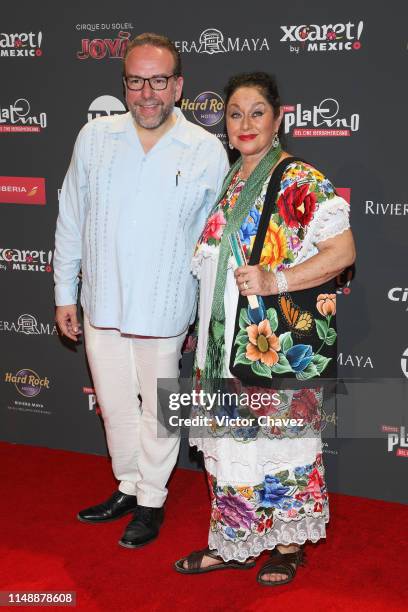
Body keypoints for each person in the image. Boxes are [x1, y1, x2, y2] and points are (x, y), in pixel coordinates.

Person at [175, 72, 355, 584]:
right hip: (221, 348)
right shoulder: (233, 180)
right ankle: (234, 539)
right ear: (225, 125)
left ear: (278, 119)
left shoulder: (299, 179)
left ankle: (289, 543)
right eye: (235, 113)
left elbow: (342, 254)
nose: (245, 123)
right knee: (232, 448)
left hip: (268, 347)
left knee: (280, 444)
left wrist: (277, 279)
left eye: (257, 112)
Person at [54, 32, 228, 549]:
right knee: (115, 403)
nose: (146, 93)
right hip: (101, 303)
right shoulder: (94, 138)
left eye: (158, 81)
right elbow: (71, 217)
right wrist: (65, 290)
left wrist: (207, 310)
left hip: (166, 306)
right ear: (124, 84)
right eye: (136, 81)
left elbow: (211, 243)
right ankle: (128, 486)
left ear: (178, 86)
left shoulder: (204, 150)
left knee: (160, 406)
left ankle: (152, 498)